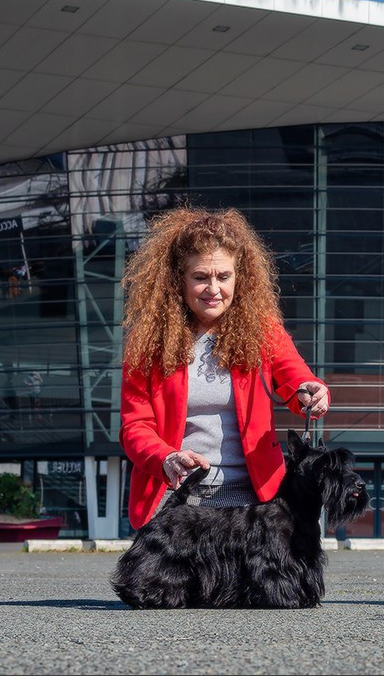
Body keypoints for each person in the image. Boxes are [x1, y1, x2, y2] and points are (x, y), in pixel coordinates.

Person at [119, 206, 330, 530]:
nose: (214, 289)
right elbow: (135, 426)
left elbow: (296, 376)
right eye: (200, 277)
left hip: (252, 501)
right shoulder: (147, 342)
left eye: (223, 276)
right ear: (178, 279)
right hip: (175, 498)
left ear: (239, 277)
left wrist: (312, 391)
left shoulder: (264, 331)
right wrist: (166, 457)